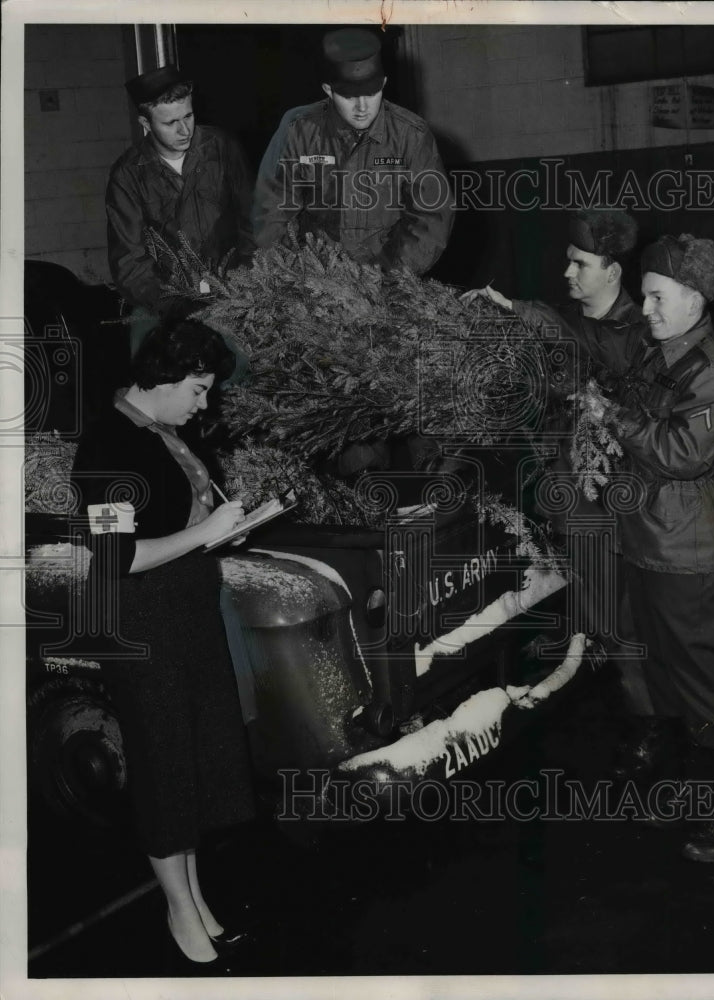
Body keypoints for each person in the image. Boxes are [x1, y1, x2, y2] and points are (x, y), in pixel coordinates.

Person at [71, 320, 256, 969]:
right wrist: (205, 532)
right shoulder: (107, 443)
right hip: (144, 626)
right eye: (200, 389)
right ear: (167, 375)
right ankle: (179, 911)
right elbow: (115, 557)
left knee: (191, 765)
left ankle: (197, 899)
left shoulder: (162, 432)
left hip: (187, 616)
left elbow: (178, 523)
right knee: (163, 771)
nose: (204, 404)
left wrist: (221, 530)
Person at [589, 233, 714, 861]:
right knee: (666, 675)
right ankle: (695, 796)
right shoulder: (659, 353)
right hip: (647, 540)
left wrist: (612, 417)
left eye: (658, 297)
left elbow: (683, 455)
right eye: (645, 297)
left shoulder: (712, 371)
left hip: (686, 553)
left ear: (695, 300)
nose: (647, 309)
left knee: (703, 684)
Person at [462, 210, 656, 730]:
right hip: (575, 508)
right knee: (603, 620)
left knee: (628, 625)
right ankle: (633, 716)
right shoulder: (576, 320)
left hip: (621, 516)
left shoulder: (641, 335)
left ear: (613, 273)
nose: (568, 273)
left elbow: (589, 366)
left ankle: (653, 732)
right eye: (569, 262)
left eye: (581, 264)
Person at [252, 28, 453, 274]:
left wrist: (389, 279)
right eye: (349, 97)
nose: (362, 108)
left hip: (389, 279)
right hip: (315, 279)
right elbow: (270, 211)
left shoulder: (411, 135)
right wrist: (296, 277)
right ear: (328, 90)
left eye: (371, 94)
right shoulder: (299, 129)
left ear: (384, 84)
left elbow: (430, 219)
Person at [106, 65, 255, 356]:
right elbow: (128, 261)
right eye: (170, 122)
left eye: (188, 116)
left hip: (234, 291)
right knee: (158, 371)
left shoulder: (222, 147)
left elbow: (253, 222)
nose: (184, 130)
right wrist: (175, 306)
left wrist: (242, 286)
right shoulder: (127, 175)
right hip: (164, 302)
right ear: (145, 123)